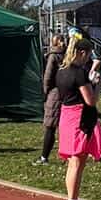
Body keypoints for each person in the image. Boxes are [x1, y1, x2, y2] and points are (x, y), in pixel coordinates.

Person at [55, 35, 101, 200]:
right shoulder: (78, 72)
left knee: (73, 162)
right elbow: (90, 100)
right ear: (82, 52)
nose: (89, 59)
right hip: (79, 118)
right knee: (77, 161)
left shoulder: (61, 71)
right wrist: (98, 84)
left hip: (66, 115)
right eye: (88, 55)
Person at [36, 33, 66, 164]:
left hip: (54, 93)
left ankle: (44, 157)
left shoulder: (53, 56)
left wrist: (45, 92)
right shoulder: (68, 56)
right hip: (67, 93)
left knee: (50, 127)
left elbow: (48, 76)